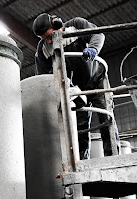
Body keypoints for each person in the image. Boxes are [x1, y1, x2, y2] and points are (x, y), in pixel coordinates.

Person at [32, 14, 118, 159]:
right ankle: (82, 162)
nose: (48, 40)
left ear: (57, 24)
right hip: (75, 90)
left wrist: (92, 49)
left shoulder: (76, 25)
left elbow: (98, 35)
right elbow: (43, 78)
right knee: (79, 128)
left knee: (106, 119)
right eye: (44, 39)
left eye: (49, 36)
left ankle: (113, 158)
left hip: (96, 80)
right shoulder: (43, 50)